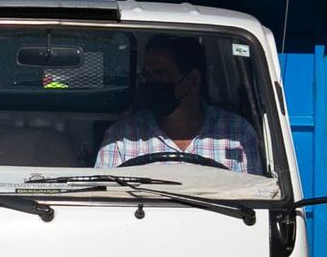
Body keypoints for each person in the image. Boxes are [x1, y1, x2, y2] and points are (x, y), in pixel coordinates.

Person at [95, 34, 265, 175]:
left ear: (193, 80)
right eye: (147, 75)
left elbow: (255, 201)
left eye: (161, 74)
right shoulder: (122, 136)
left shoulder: (237, 133)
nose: (152, 82)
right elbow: (104, 201)